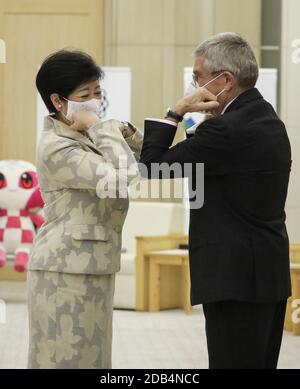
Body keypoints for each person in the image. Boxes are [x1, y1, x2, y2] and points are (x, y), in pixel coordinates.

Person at [140, 32, 292, 369]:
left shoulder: (226, 131)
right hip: (268, 275)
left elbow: (151, 167)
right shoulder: (267, 120)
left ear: (225, 80)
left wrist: (174, 112)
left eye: (198, 77)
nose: (194, 85)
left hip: (234, 279)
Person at [27, 49, 143, 369]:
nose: (94, 102)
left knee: (92, 359)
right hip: (63, 270)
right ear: (58, 101)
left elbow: (146, 157)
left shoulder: (85, 135)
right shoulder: (58, 146)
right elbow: (124, 176)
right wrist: (102, 128)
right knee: (64, 359)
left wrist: (119, 128)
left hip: (93, 265)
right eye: (85, 95)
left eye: (98, 93)